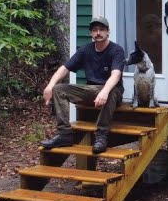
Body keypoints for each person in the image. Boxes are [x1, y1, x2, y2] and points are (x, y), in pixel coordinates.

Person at [40, 16, 127, 153]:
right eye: (95, 30)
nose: (98, 33)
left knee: (110, 91)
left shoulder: (116, 50)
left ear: (108, 31)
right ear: (91, 33)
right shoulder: (85, 50)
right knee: (58, 89)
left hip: (111, 91)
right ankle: (65, 134)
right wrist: (50, 86)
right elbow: (64, 68)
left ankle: (101, 136)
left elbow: (115, 75)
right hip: (91, 90)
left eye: (102, 30)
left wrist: (104, 91)